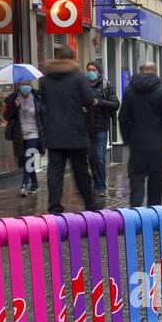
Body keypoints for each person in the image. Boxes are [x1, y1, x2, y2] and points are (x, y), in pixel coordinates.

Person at [40, 45, 98, 214]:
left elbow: (45, 101)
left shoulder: (45, 80)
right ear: (72, 59)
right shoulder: (78, 77)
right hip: (75, 133)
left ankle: (54, 207)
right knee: (81, 171)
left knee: (55, 172)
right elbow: (88, 99)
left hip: (54, 134)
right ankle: (90, 204)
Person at [117, 62, 162, 207]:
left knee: (136, 178)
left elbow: (123, 118)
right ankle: (153, 213)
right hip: (157, 144)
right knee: (156, 180)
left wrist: (128, 139)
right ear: (155, 72)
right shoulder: (161, 91)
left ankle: (136, 212)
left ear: (140, 71)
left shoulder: (130, 91)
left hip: (137, 143)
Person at [3, 78, 45, 195]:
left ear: (31, 86)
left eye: (27, 84)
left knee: (28, 157)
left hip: (34, 134)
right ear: (19, 86)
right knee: (28, 160)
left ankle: (24, 185)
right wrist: (15, 106)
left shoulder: (37, 97)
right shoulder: (13, 99)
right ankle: (35, 184)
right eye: (23, 84)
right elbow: (7, 117)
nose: (25, 86)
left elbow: (43, 115)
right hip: (20, 135)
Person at [85, 60, 119, 199]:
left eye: (93, 70)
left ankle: (100, 187)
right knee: (91, 158)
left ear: (99, 72)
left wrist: (99, 102)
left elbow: (115, 104)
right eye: (89, 70)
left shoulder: (106, 85)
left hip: (101, 128)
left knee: (99, 158)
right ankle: (95, 181)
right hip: (86, 128)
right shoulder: (83, 86)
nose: (91, 72)